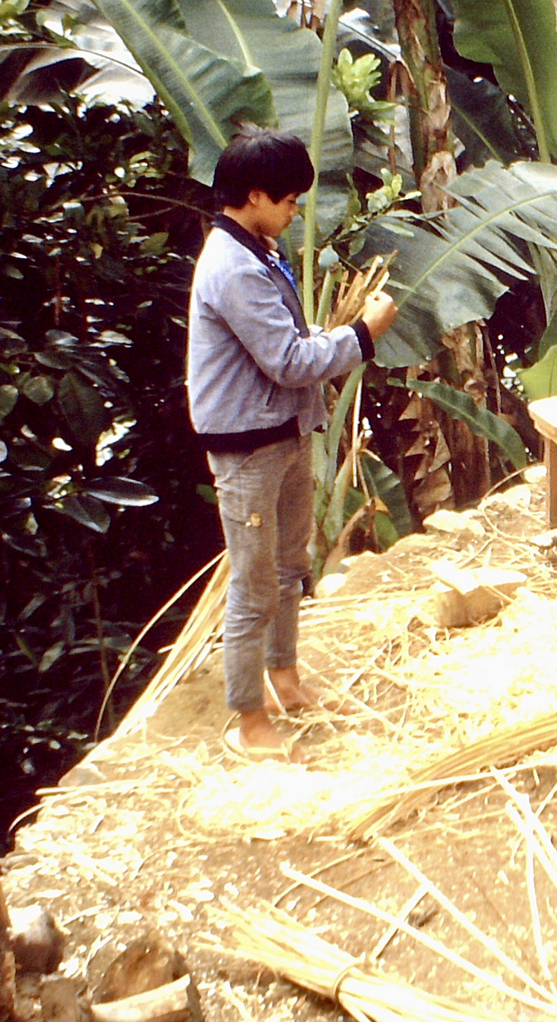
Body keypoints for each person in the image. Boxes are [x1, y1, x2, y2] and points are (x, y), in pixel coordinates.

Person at [186, 128, 398, 761]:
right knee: (253, 584)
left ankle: (285, 679)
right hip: (248, 445)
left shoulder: (259, 248)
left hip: (282, 432)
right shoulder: (233, 267)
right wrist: (362, 333)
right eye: (289, 200)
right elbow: (286, 358)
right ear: (254, 196)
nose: (295, 211)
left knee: (289, 568)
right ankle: (248, 719)